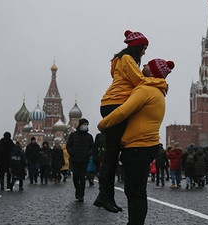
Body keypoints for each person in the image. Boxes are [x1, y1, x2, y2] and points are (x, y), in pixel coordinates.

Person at [94, 30, 167, 214]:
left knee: (111, 153)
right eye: (144, 48)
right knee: (111, 154)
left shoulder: (120, 60)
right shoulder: (127, 59)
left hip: (110, 102)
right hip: (116, 104)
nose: (144, 53)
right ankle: (105, 196)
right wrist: (158, 83)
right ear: (138, 46)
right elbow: (140, 81)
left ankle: (105, 196)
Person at [67, 118, 94, 202]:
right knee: (75, 177)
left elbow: (92, 147)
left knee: (82, 178)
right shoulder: (73, 135)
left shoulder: (89, 137)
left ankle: (81, 194)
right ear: (80, 125)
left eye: (87, 124)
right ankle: (77, 189)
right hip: (75, 159)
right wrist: (72, 153)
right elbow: (69, 146)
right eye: (84, 124)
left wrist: (88, 154)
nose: (85, 126)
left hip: (84, 160)